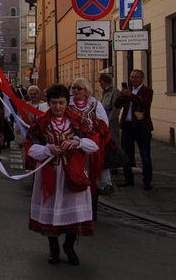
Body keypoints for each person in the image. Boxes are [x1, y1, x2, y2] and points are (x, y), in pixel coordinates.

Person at [25, 84, 99, 266]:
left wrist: (78, 142)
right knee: (51, 211)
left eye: (61, 103)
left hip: (73, 173)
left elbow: (95, 143)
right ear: (48, 103)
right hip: (50, 173)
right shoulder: (41, 122)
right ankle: (54, 248)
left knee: (73, 212)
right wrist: (48, 149)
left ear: (67, 102)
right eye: (54, 103)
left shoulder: (78, 121)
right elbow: (29, 146)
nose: (58, 107)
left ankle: (69, 246)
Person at [68, 77, 111, 202]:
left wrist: (92, 131)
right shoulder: (68, 103)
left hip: (91, 145)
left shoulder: (94, 104)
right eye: (74, 88)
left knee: (92, 173)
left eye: (79, 88)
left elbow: (104, 123)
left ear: (85, 90)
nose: (76, 91)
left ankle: (92, 202)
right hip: (73, 145)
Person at [114, 69, 154, 190]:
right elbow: (117, 105)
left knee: (145, 155)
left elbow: (144, 104)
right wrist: (121, 96)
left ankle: (147, 181)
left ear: (142, 78)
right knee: (126, 154)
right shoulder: (128, 91)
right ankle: (128, 179)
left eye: (136, 77)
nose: (133, 79)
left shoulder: (147, 91)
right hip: (127, 126)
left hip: (142, 127)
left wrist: (130, 95)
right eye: (132, 77)